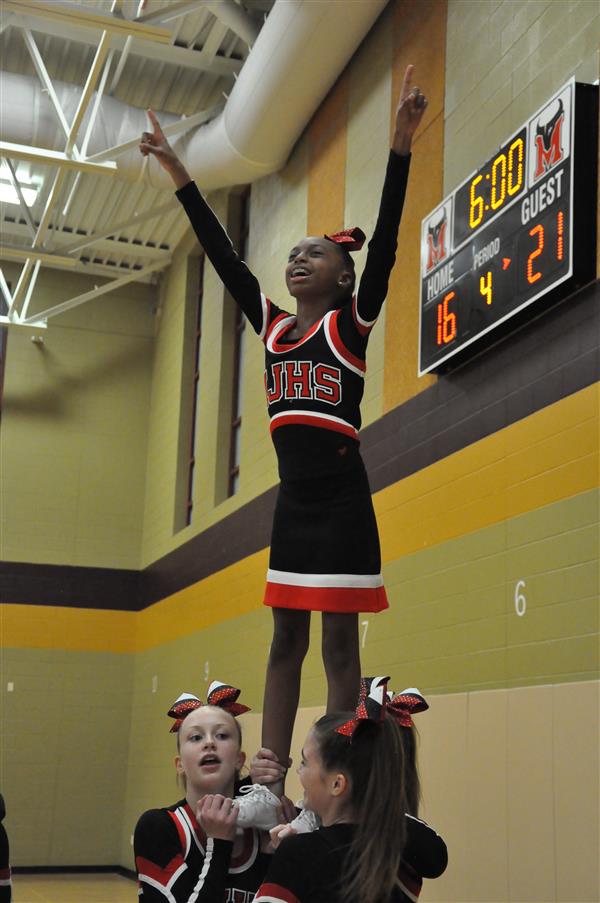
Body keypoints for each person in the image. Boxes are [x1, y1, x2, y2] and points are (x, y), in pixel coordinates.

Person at [139, 65, 428, 828]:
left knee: (339, 647)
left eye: (315, 255)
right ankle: (269, 784)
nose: (298, 260)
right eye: (293, 254)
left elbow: (388, 243)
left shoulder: (350, 326)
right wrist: (180, 176)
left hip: (343, 500)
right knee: (282, 642)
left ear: (344, 278)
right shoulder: (271, 326)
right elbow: (224, 257)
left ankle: (332, 787)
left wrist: (399, 147)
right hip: (293, 505)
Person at [254, 677, 448, 903]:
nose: (298, 770)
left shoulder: (299, 853)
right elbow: (435, 856)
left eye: (304, 762)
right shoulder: (399, 855)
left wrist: (275, 859)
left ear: (337, 784)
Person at [134, 681, 293, 902]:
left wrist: (279, 859)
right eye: (196, 737)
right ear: (180, 764)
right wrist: (219, 843)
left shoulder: (265, 826)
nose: (209, 743)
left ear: (240, 759)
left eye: (222, 735)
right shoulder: (158, 828)